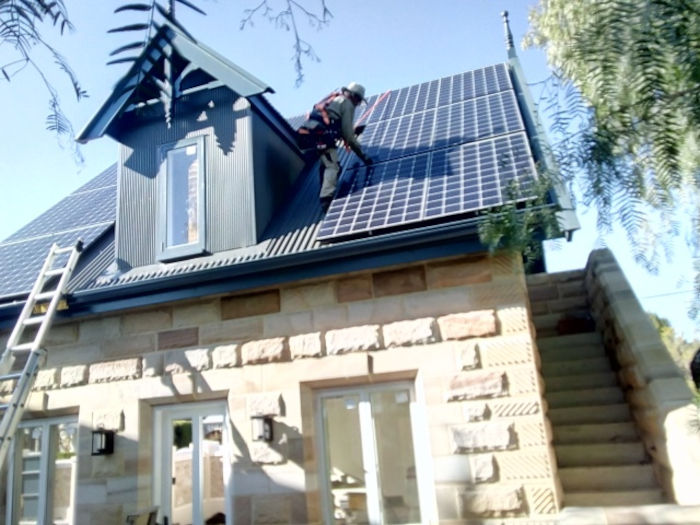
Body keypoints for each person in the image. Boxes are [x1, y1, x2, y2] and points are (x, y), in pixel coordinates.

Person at [297, 82, 374, 211]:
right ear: (355, 97)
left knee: (326, 162)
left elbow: (336, 125)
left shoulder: (335, 99)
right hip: (322, 137)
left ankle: (324, 188)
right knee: (333, 166)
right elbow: (348, 135)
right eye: (358, 101)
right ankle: (326, 199)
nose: (357, 104)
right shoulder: (347, 104)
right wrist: (364, 156)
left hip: (308, 135)